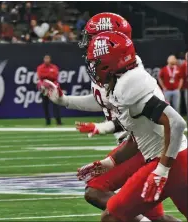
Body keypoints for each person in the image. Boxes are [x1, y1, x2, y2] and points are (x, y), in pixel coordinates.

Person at [38, 12, 179, 222]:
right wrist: (64, 101)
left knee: (100, 195)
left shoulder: (128, 75)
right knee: (154, 217)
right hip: (136, 144)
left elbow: (154, 118)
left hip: (143, 146)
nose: (87, 43)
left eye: (93, 38)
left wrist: (102, 129)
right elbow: (102, 100)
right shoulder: (110, 68)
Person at [77, 31, 187, 222]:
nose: (93, 68)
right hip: (176, 159)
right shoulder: (124, 80)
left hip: (170, 161)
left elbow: (176, 123)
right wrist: (109, 163)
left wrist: (162, 170)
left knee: (112, 216)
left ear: (111, 62)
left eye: (96, 63)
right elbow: (138, 137)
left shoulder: (129, 85)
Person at [36, 55, 62, 125]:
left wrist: (46, 76)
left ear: (50, 59)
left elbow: (55, 76)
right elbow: (40, 76)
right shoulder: (40, 67)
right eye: (46, 59)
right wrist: (49, 75)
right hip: (44, 89)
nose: (47, 60)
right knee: (45, 106)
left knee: (56, 105)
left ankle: (58, 121)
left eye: (48, 58)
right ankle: (48, 122)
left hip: (53, 88)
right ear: (44, 59)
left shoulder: (54, 67)